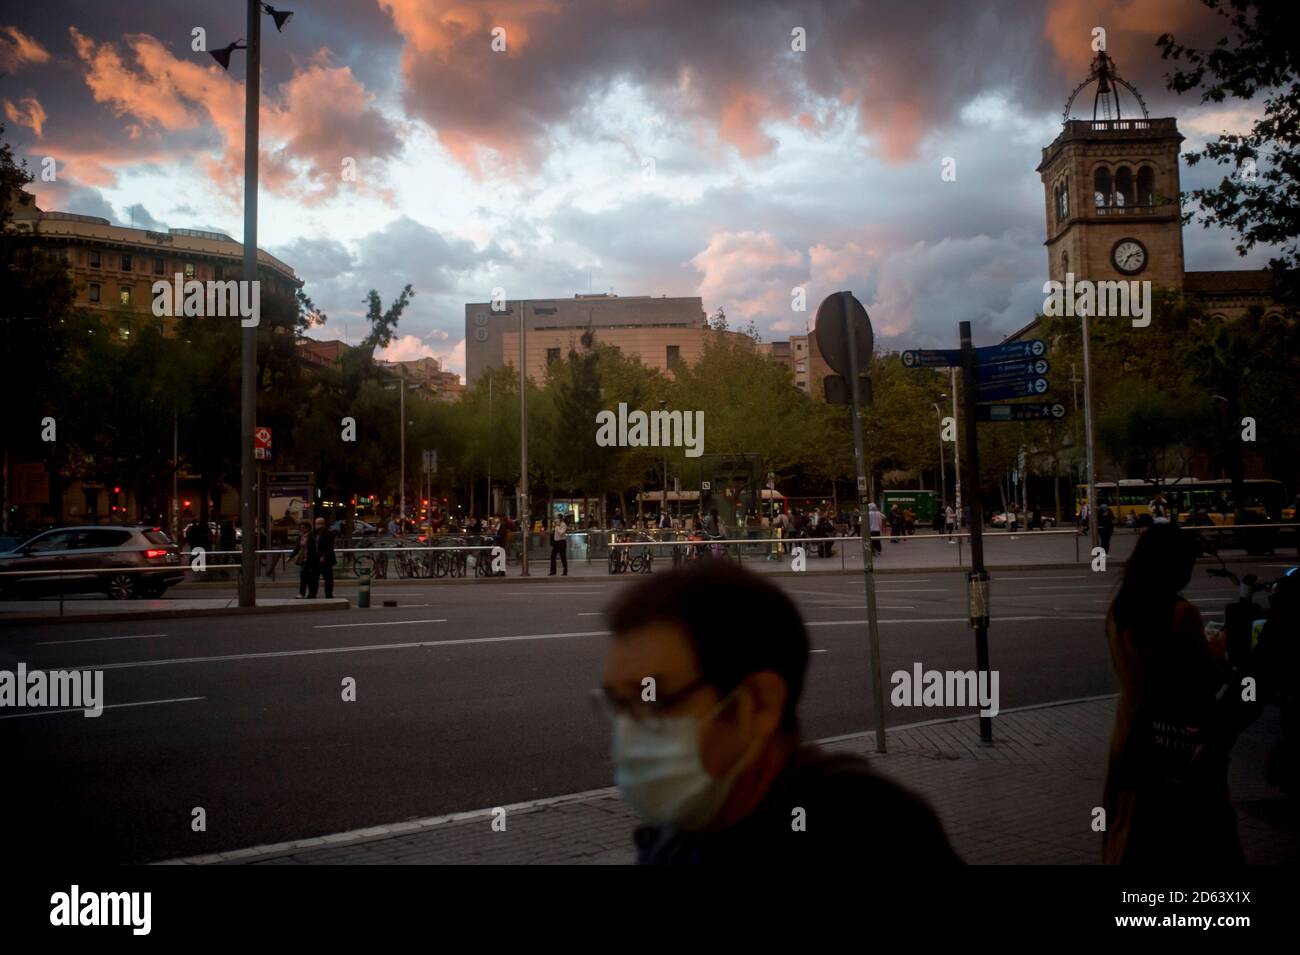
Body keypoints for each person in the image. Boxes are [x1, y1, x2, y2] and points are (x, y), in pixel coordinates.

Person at [601, 562, 961, 864]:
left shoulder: (870, 832)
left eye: (656, 699)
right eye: (618, 703)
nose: (629, 728)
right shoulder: (680, 833)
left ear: (757, 703)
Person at [1102, 524, 1245, 865]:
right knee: (1195, 834)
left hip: (1130, 733)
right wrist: (1218, 652)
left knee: (1132, 827)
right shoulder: (1182, 614)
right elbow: (1197, 682)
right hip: (1177, 741)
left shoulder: (1118, 610)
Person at [305, 517, 336, 599]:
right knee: (313, 578)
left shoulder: (328, 534)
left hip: (326, 560)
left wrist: (324, 556)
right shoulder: (312, 534)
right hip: (314, 560)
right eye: (317, 524)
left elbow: (330, 547)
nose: (319, 526)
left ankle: (328, 593)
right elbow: (310, 547)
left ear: (324, 524)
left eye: (321, 524)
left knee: (328, 578)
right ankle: (312, 593)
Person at [288, 520, 312, 598]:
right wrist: (290, 556)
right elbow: (297, 548)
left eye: (303, 528)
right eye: (301, 528)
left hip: (310, 559)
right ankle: (304, 593)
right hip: (303, 559)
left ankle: (305, 593)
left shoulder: (312, 536)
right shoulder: (300, 537)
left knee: (304, 574)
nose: (302, 529)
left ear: (308, 528)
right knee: (304, 576)